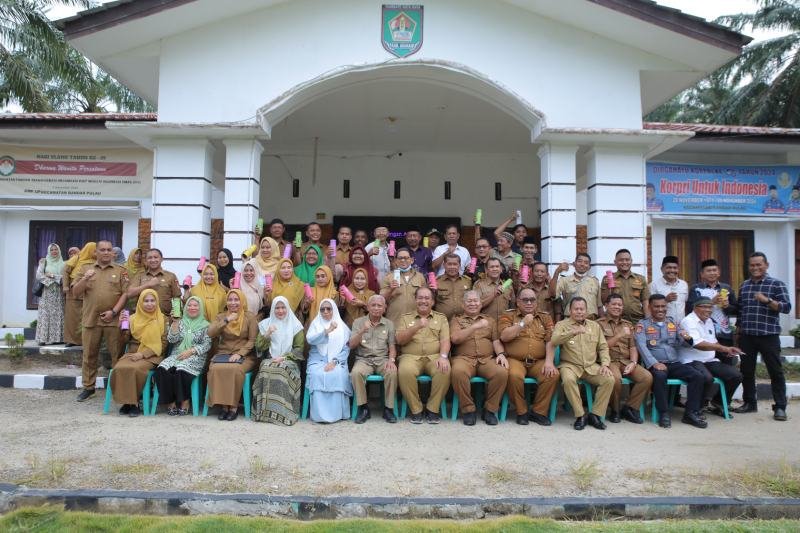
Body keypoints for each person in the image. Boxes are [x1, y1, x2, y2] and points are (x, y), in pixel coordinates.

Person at [635, 294, 707, 428]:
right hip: (655, 364)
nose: (660, 309)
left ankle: (691, 413)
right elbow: (641, 346)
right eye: (656, 306)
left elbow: (682, 344)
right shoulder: (642, 325)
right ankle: (663, 413)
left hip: (673, 363)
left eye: (663, 306)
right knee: (660, 376)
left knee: (697, 376)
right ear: (650, 307)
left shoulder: (672, 323)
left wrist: (688, 339)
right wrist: (654, 363)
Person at [735, 252, 792, 421]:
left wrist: (767, 300)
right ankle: (750, 403)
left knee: (775, 371)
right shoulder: (744, 285)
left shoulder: (776, 284)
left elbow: (786, 307)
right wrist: (738, 332)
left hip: (769, 335)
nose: (755, 268)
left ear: (766, 265)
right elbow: (740, 311)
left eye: (758, 264)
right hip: (747, 336)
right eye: (752, 265)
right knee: (747, 371)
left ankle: (780, 407)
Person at [72, 241, 129, 402]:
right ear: (96, 252)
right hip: (91, 319)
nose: (106, 252)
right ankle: (88, 388)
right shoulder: (85, 269)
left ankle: (119, 389)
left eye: (109, 250)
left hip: (113, 320)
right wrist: (85, 279)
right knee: (89, 355)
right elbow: (75, 292)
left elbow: (125, 294)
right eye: (102, 250)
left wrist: (113, 312)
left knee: (116, 355)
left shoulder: (121, 271)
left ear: (113, 253)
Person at [551, 297, 614, 430]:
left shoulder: (594, 326)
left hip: (591, 366)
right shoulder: (562, 325)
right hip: (570, 365)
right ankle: (580, 415)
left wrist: (605, 364)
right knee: (568, 380)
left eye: (582, 309)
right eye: (576, 309)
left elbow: (603, 347)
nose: (579, 312)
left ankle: (595, 415)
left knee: (609, 379)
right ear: (570, 310)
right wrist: (572, 332)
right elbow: (554, 341)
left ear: (586, 310)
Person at [499, 288, 557, 426]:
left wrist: (549, 362)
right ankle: (521, 411)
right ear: (518, 302)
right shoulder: (508, 315)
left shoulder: (545, 317)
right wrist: (522, 323)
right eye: (525, 300)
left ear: (536, 302)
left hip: (539, 361)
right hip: (515, 360)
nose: (529, 303)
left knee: (552, 375)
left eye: (532, 300)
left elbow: (551, 341)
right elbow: (504, 336)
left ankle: (538, 412)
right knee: (513, 376)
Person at [450, 291, 508, 426]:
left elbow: (496, 341)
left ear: (481, 304)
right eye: (469, 301)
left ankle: (490, 409)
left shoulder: (490, 320)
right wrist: (474, 327)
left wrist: (501, 354)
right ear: (463, 305)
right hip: (464, 359)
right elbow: (455, 338)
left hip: (487, 359)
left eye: (475, 301)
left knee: (501, 372)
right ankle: (468, 409)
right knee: (458, 372)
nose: (472, 304)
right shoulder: (456, 319)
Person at [679, 298, 744, 417]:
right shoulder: (688, 321)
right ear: (695, 308)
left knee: (736, 375)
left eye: (710, 307)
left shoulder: (708, 321)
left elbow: (713, 341)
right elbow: (698, 344)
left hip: (709, 360)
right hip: (691, 360)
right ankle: (696, 407)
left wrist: (728, 350)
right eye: (704, 307)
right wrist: (723, 349)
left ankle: (718, 403)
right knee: (706, 378)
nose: (708, 310)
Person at [395, 287, 451, 424]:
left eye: (427, 298)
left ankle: (433, 409)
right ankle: (416, 409)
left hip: (434, 356)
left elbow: (445, 340)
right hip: (410, 357)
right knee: (404, 371)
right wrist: (416, 326)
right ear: (415, 300)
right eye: (420, 298)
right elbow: (400, 340)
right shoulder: (405, 318)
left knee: (444, 369)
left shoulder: (441, 318)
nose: (423, 301)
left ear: (432, 301)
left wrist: (443, 357)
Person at [111, 289, 168, 416]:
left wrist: (143, 354)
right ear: (140, 303)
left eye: (152, 300)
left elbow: (164, 344)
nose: (149, 304)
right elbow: (123, 341)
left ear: (157, 302)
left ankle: (135, 403)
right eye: (146, 301)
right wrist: (121, 326)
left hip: (152, 355)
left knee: (135, 369)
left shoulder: (163, 319)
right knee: (120, 367)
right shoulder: (132, 319)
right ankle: (126, 402)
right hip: (132, 353)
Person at [597, 294, 651, 423]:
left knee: (646, 377)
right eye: (614, 304)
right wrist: (618, 336)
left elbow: (632, 347)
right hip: (609, 361)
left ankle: (630, 408)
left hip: (626, 361)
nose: (617, 307)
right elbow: (599, 347)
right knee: (615, 379)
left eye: (620, 305)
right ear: (606, 306)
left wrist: (633, 362)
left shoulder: (628, 324)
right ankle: (615, 410)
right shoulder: (598, 324)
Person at [206, 289, 258, 421]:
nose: (233, 303)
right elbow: (210, 333)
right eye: (230, 299)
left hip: (244, 355)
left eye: (236, 299)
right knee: (215, 369)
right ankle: (224, 407)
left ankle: (233, 406)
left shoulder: (249, 317)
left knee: (234, 369)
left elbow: (252, 340)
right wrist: (226, 320)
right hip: (223, 353)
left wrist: (240, 354)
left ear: (242, 301)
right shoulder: (221, 316)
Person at [155, 296, 212, 416]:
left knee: (181, 370)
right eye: (189, 305)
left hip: (196, 355)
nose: (192, 308)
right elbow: (171, 339)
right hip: (177, 354)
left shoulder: (206, 325)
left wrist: (191, 351)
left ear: (200, 308)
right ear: (185, 308)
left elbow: (207, 344)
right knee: (162, 369)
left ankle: (185, 401)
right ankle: (170, 402)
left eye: (195, 305)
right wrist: (175, 322)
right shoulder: (180, 322)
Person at [253, 296, 305, 425]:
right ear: (273, 309)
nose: (280, 311)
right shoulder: (266, 324)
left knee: (281, 371)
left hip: (289, 360)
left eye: (283, 308)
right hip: (270, 358)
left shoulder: (295, 324)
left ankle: (283, 413)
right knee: (265, 368)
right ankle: (264, 413)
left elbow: (299, 349)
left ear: (287, 309)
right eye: (277, 308)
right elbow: (259, 347)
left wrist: (284, 358)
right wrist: (267, 334)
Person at [349, 295, 398, 424]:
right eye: (373, 305)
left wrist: (391, 360)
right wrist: (362, 331)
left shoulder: (389, 324)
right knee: (356, 373)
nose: (376, 308)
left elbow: (392, 346)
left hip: (383, 359)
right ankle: (363, 408)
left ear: (384, 308)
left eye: (379, 306)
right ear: (368, 307)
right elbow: (352, 345)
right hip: (364, 360)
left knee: (392, 372)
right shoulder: (358, 322)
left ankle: (388, 409)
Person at [305, 298, 353, 423]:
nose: (325, 311)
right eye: (322, 309)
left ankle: (337, 414)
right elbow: (311, 340)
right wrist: (326, 331)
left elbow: (346, 349)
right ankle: (319, 415)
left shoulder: (343, 328)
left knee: (337, 374)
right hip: (317, 360)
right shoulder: (316, 324)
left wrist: (334, 361)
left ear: (334, 310)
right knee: (317, 374)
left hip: (338, 361)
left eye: (329, 309)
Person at [686, 259, 738, 363]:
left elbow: (736, 310)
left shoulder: (726, 288)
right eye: (708, 271)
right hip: (703, 332)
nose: (712, 273)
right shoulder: (695, 289)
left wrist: (727, 306)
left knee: (726, 361)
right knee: (707, 361)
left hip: (723, 332)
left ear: (719, 273)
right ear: (702, 274)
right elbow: (689, 309)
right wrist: (711, 302)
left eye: (714, 270)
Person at [601, 249, 650, 323]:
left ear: (631, 261)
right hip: (616, 321)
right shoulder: (608, 278)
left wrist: (648, 321)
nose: (624, 262)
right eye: (621, 260)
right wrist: (608, 287)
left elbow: (645, 301)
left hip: (637, 321)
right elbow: (604, 301)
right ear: (615, 262)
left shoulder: (641, 279)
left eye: (627, 260)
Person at [127, 248, 181, 315]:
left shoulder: (171, 276)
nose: (153, 260)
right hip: (144, 318)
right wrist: (148, 285)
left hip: (164, 318)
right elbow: (129, 293)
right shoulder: (140, 276)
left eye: (156, 257)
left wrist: (176, 316)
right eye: (150, 258)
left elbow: (177, 298)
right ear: (146, 261)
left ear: (161, 259)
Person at [62, 241, 96, 347]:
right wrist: (65, 286)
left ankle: (84, 340)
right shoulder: (77, 258)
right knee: (72, 317)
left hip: (88, 292)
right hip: (73, 291)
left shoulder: (98, 261)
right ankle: (71, 340)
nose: (96, 253)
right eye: (95, 251)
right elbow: (65, 271)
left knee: (85, 317)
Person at [550, 253, 602, 321]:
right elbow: (552, 294)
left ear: (589, 267)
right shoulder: (564, 280)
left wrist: (602, 322)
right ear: (574, 264)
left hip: (591, 322)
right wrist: (557, 272)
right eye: (580, 261)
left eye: (586, 262)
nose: (582, 264)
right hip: (570, 321)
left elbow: (599, 305)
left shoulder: (595, 281)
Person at [380, 247, 426, 325]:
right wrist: (391, 289)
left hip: (416, 322)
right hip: (394, 321)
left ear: (411, 260)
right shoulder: (388, 277)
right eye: (400, 258)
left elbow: (425, 299)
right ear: (396, 261)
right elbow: (381, 300)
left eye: (406, 258)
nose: (403, 260)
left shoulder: (420, 277)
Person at [35, 243, 65, 345]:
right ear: (49, 251)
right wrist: (53, 280)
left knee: (58, 314)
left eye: (56, 249)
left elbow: (64, 278)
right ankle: (42, 339)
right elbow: (39, 276)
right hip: (47, 293)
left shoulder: (63, 264)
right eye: (52, 250)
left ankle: (57, 339)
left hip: (59, 293)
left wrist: (52, 276)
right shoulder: (44, 262)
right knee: (45, 314)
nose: (54, 252)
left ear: (59, 250)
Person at [473, 257, 514, 323]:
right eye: (492, 267)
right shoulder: (479, 285)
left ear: (501, 269)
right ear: (486, 270)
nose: (495, 269)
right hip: (486, 325)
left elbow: (512, 307)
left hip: (504, 324)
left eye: (497, 266)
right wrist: (493, 295)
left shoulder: (508, 286)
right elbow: (476, 306)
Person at [433, 254, 473, 320]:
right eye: (449, 264)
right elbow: (431, 302)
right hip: (442, 322)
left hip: (464, 321)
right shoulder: (436, 282)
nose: (452, 267)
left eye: (455, 264)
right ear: (444, 265)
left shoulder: (468, 281)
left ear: (459, 265)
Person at [650, 255, 688, 323]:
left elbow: (686, 304)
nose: (672, 270)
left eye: (675, 268)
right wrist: (665, 300)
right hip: (662, 325)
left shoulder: (683, 284)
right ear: (662, 269)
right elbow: (650, 307)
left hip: (681, 326)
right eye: (669, 267)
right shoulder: (654, 285)